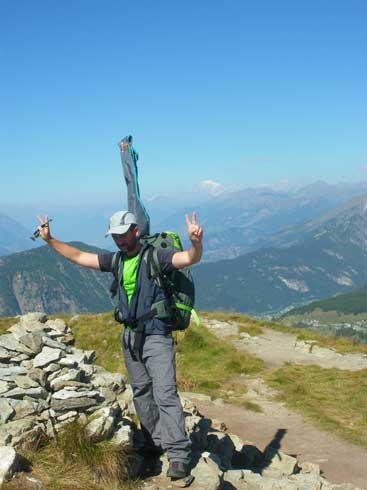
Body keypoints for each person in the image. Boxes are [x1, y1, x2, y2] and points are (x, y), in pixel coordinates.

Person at [36, 159, 203, 481]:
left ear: (135, 231)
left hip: (156, 335)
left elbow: (188, 259)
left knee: (165, 393)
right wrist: (49, 240)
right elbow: (79, 257)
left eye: (123, 235)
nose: (119, 240)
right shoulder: (114, 260)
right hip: (130, 337)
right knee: (141, 391)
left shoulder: (157, 257)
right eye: (114, 236)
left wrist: (196, 242)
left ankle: (179, 455)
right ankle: (153, 444)